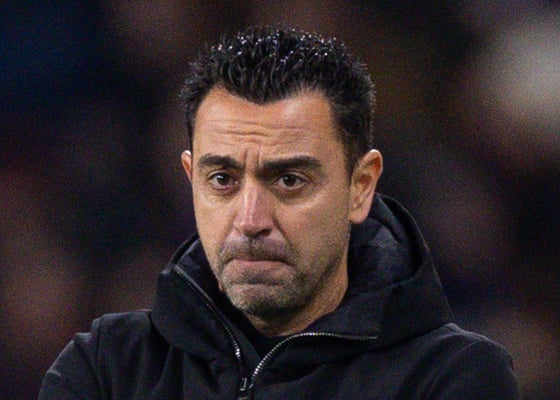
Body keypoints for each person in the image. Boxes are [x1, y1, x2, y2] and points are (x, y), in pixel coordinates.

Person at [39, 26, 521, 399]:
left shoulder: (450, 377)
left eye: (289, 180)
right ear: (190, 179)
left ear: (360, 187)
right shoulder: (107, 368)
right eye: (222, 180)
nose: (251, 220)